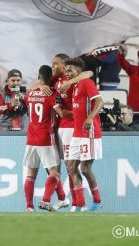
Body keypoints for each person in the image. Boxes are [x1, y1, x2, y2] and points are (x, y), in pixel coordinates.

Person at [22, 65, 69, 212]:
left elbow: (28, 93)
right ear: (50, 78)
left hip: (31, 138)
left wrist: (39, 86)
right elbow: (61, 113)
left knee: (31, 175)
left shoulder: (30, 94)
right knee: (54, 172)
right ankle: (45, 200)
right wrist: (78, 114)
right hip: (46, 138)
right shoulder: (51, 94)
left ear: (39, 77)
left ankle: (30, 207)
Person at [64, 57, 104, 212]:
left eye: (70, 70)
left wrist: (89, 117)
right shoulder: (74, 86)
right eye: (66, 70)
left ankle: (97, 201)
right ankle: (80, 203)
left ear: (79, 71)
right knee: (70, 167)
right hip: (77, 132)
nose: (67, 73)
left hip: (89, 131)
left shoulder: (86, 83)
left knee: (85, 168)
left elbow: (100, 102)